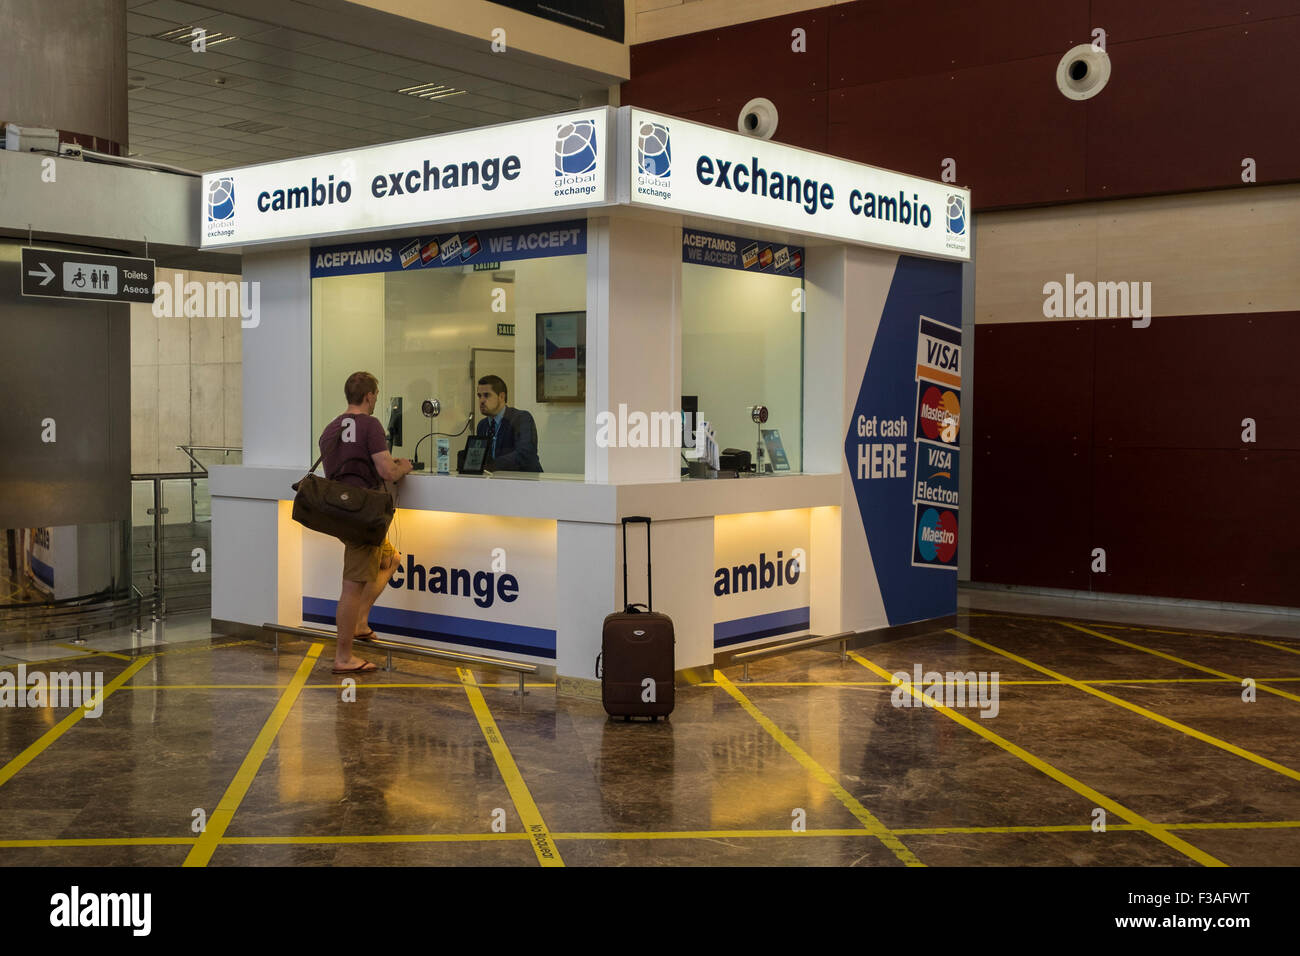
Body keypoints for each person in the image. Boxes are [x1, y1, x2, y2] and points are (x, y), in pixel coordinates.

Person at [319, 371, 413, 674]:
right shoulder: (371, 425)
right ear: (370, 396)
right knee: (351, 586)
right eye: (375, 396)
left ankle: (360, 623)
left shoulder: (331, 428)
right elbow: (386, 471)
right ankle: (343, 657)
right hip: (364, 515)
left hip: (341, 512)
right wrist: (404, 467)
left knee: (390, 558)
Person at [474, 375, 542, 472]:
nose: (481, 400)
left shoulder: (521, 418)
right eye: (479, 396)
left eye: (487, 395)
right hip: (495, 482)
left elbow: (525, 454)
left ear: (501, 396)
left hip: (525, 481)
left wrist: (491, 465)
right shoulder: (482, 425)